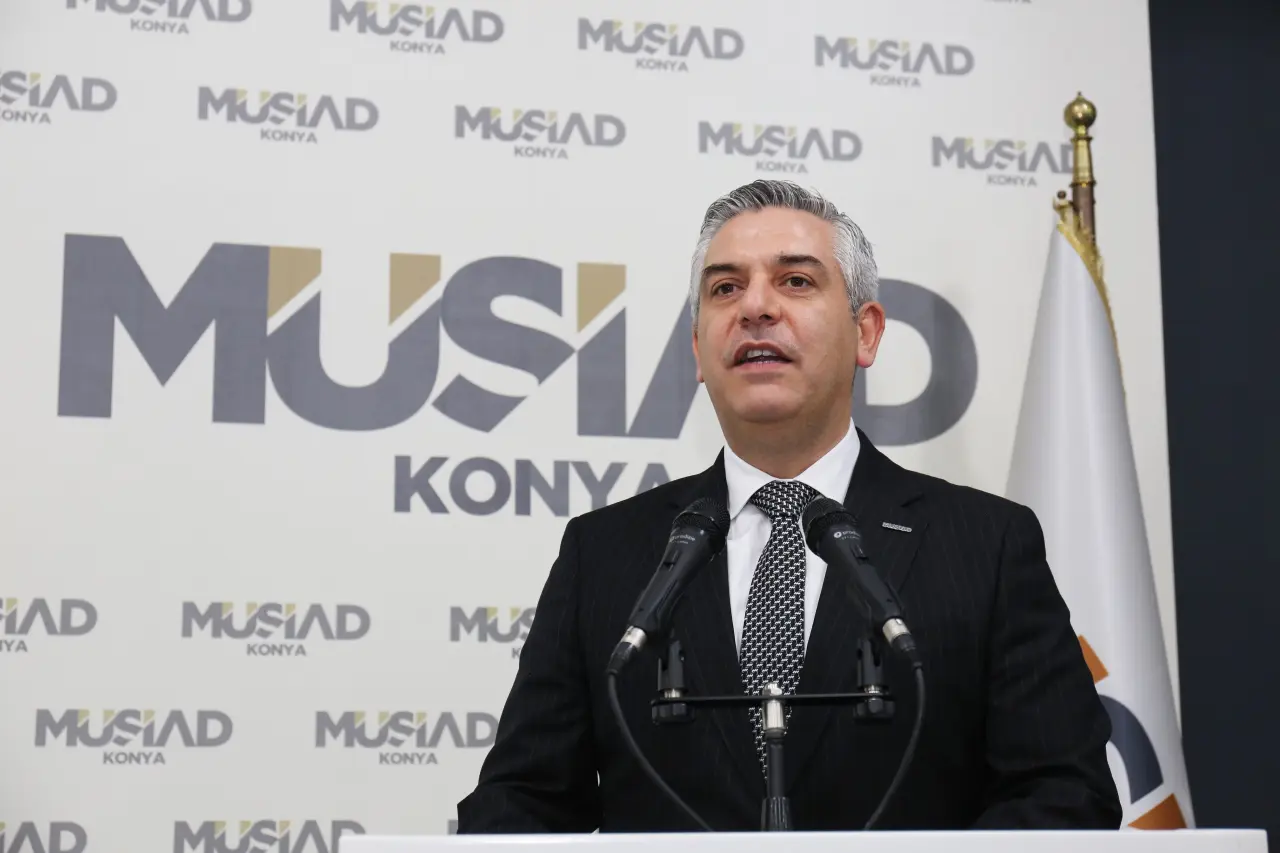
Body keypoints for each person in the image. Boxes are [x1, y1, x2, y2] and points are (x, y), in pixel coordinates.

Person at [456, 180, 1122, 832]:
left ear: (866, 333)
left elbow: (1064, 794)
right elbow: (522, 803)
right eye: (725, 288)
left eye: (796, 280)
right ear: (698, 348)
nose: (755, 307)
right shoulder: (604, 553)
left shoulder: (985, 544)